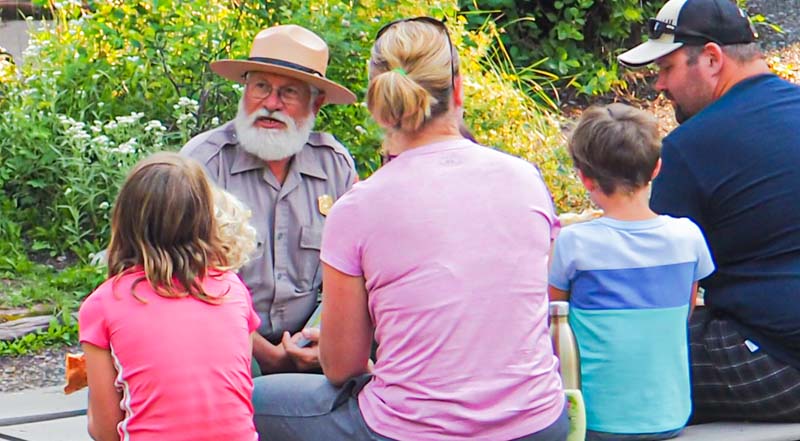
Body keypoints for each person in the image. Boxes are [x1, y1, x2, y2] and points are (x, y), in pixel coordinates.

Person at [251, 17, 568, 441]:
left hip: (411, 430)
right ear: (458, 90)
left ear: (376, 99)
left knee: (248, 399)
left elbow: (342, 366)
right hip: (539, 423)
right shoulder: (526, 179)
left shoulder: (359, 206)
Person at [619, 0, 800, 423]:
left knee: (613, 359)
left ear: (712, 59)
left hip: (779, 361)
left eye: (667, 69)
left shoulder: (690, 148)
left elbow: (648, 276)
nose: (659, 86)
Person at [181, 24, 358, 375]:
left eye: (288, 92)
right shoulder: (203, 163)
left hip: (313, 341)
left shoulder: (334, 165)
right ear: (245, 88)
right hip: (227, 343)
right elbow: (185, 277)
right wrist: (264, 352)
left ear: (316, 103)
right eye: (261, 86)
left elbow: (356, 269)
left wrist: (324, 338)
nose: (271, 105)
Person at [548, 103, 715, 440]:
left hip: (594, 421)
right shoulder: (688, 237)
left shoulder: (573, 244)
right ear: (656, 168)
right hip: (670, 416)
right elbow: (686, 311)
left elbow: (553, 324)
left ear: (584, 177)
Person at [78, 152, 260, 441]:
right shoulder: (233, 289)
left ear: (123, 220)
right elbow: (234, 390)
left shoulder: (103, 304)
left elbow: (104, 431)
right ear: (206, 218)